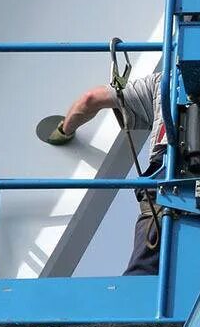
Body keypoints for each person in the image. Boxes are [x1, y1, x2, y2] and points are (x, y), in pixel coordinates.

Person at [46, 71, 166, 275]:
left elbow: (90, 99)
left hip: (165, 189)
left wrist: (64, 130)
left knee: (142, 275)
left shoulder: (163, 81)